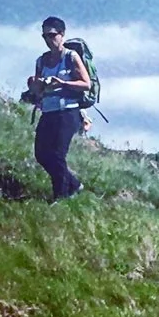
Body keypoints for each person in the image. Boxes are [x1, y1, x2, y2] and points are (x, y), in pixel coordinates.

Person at [28, 16, 92, 201]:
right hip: (48, 112)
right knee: (41, 154)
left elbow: (86, 84)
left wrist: (63, 83)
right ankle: (74, 185)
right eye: (45, 36)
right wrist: (37, 86)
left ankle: (61, 196)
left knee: (57, 154)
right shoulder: (41, 61)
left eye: (52, 35)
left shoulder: (71, 57)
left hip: (68, 112)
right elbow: (38, 90)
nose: (48, 39)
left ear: (62, 35)